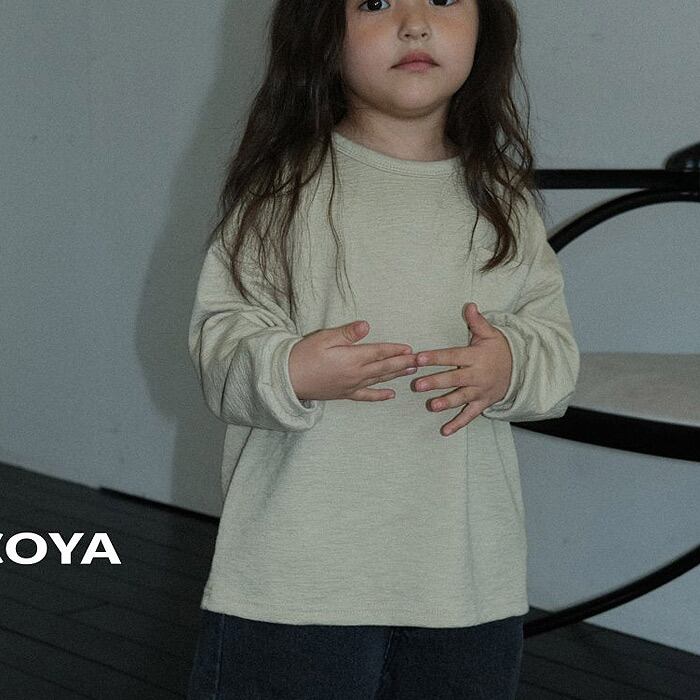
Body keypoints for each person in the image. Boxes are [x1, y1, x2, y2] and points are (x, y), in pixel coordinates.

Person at [186, 0, 580, 697]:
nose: (415, 22)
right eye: (374, 2)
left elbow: (557, 354)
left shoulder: (505, 201)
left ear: (486, 27)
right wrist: (289, 369)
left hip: (463, 584)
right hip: (297, 583)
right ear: (320, 32)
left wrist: (510, 364)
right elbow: (221, 345)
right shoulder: (281, 192)